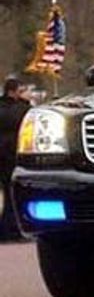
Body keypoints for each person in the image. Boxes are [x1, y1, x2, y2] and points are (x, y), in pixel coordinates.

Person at [0, 76, 31, 240]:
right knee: (15, 195)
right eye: (22, 91)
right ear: (13, 93)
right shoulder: (21, 110)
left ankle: (5, 229)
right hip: (13, 157)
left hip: (2, 158)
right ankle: (13, 229)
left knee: (6, 194)